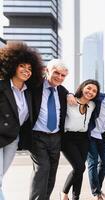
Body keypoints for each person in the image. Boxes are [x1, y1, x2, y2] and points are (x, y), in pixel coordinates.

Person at [0, 41, 43, 200]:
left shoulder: (29, 92)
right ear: (12, 65)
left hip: (12, 139)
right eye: (22, 66)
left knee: (1, 177)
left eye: (30, 68)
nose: (26, 70)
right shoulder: (2, 86)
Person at [29, 59, 69, 200]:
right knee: (42, 169)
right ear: (47, 70)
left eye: (63, 75)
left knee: (52, 172)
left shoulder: (63, 92)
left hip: (56, 137)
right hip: (37, 136)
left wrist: (70, 95)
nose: (59, 77)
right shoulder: (35, 86)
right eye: (56, 73)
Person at [60, 79, 100, 200]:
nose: (91, 92)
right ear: (82, 87)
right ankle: (64, 192)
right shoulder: (69, 100)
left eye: (94, 91)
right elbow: (61, 91)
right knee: (79, 168)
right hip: (68, 138)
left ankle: (75, 197)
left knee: (79, 169)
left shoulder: (92, 105)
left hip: (83, 139)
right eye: (88, 88)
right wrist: (70, 94)